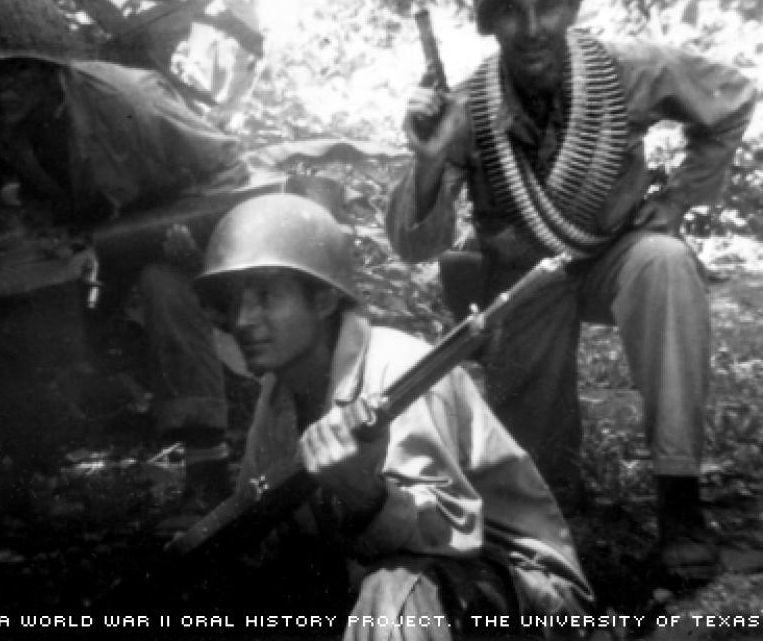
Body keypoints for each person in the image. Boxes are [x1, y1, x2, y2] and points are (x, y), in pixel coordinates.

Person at [386, 0, 756, 582]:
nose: (532, 29)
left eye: (549, 4)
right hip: (526, 283)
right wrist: (432, 158)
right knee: (534, 485)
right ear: (488, 22)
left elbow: (732, 99)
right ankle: (558, 492)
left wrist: (675, 202)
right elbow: (414, 244)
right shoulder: (466, 106)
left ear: (575, 3)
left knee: (665, 264)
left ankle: (680, 502)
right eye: (510, 11)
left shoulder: (624, 71)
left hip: (615, 260)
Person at [188, 191, 594, 638]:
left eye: (265, 296)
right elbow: (264, 521)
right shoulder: (278, 393)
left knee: (397, 590)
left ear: (323, 301)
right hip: (384, 581)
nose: (243, 319)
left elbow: (452, 535)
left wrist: (367, 497)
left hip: (519, 592)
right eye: (234, 302)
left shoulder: (399, 370)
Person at [0, 0, 248, 514]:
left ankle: (206, 468)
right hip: (92, 247)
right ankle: (31, 470)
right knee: (5, 302)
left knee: (166, 288)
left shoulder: (129, 100)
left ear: (49, 66)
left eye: (14, 69)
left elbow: (229, 166)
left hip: (172, 236)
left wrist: (203, 236)